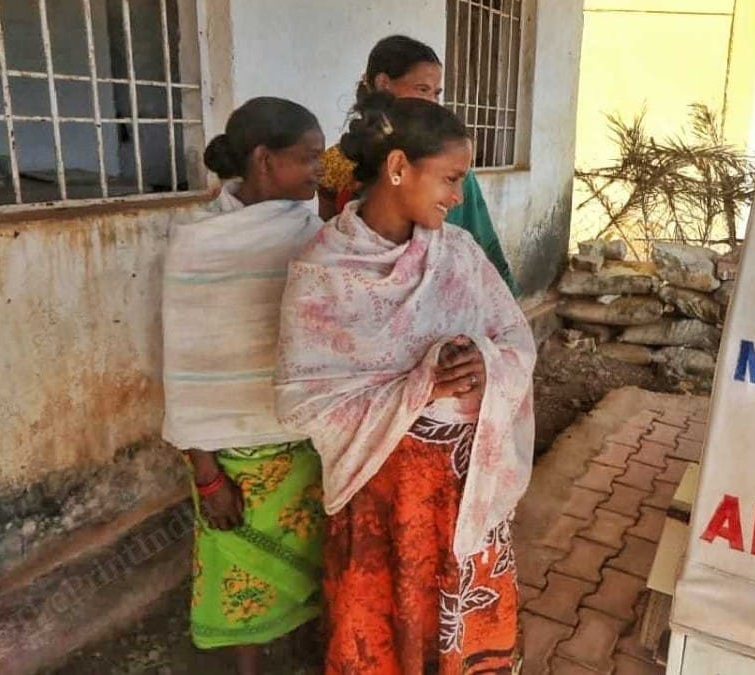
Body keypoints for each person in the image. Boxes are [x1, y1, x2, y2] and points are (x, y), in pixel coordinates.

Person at [276, 91, 535, 674]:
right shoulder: (323, 271)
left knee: (463, 637)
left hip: (465, 498)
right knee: (380, 634)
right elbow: (301, 400)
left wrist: (486, 363)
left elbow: (517, 339)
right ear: (398, 168)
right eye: (449, 178)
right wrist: (419, 387)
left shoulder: (461, 254)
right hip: (382, 497)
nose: (458, 196)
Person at [161, 97, 327, 675]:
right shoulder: (199, 245)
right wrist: (207, 478)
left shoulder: (314, 233)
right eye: (308, 159)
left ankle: (309, 649)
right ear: (263, 159)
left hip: (303, 445)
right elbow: (185, 372)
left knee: (312, 558)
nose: (319, 171)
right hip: (229, 459)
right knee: (236, 568)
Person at [318, 34, 519, 295]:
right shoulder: (339, 159)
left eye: (436, 93)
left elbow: (482, 242)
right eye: (422, 89)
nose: (431, 102)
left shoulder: (448, 165)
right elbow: (330, 232)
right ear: (383, 84)